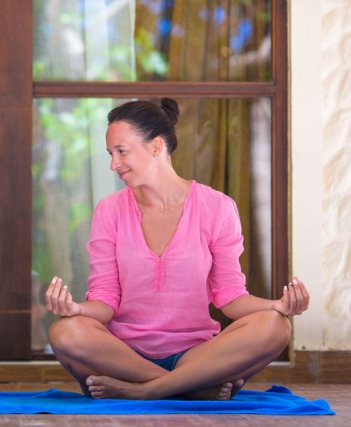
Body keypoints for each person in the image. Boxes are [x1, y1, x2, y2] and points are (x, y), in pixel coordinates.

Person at [45, 98, 309, 401]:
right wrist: (75, 309)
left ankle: (148, 391)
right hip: (124, 355)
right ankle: (190, 387)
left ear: (156, 147)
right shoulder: (109, 211)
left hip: (195, 353)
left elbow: (230, 297)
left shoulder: (218, 207)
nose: (113, 164)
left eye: (121, 151)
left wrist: (278, 306)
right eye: (110, 153)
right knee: (65, 332)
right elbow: (105, 301)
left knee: (275, 327)